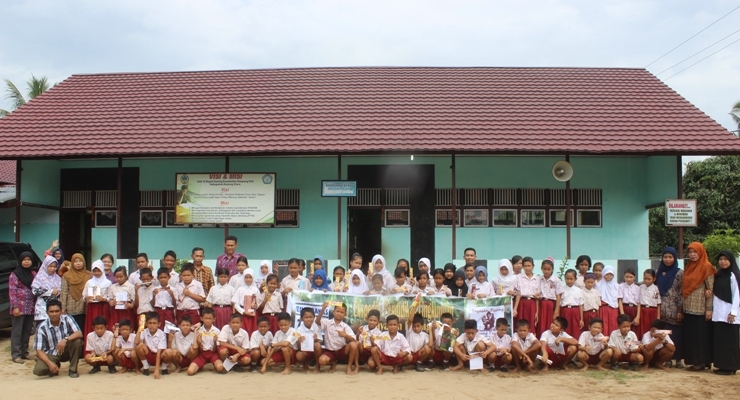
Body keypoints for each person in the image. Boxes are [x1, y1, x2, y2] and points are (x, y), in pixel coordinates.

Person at [682, 242, 715, 371]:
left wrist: (709, 309)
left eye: (695, 252)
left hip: (701, 309)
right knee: (691, 336)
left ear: (700, 252)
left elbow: (710, 290)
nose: (692, 255)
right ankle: (695, 361)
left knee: (701, 337)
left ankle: (701, 362)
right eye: (690, 252)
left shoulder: (707, 267)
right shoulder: (689, 266)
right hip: (689, 307)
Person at [32, 299, 83, 378]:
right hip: (51, 353)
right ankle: (54, 366)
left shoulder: (67, 318)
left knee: (77, 342)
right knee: (38, 370)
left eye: (57, 311)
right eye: (51, 312)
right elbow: (39, 350)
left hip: (66, 350)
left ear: (61, 311)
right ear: (47, 312)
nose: (54, 314)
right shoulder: (41, 327)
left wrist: (65, 339)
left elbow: (79, 333)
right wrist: (49, 363)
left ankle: (73, 369)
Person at [711, 250, 740, 375]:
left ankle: (730, 367)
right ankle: (722, 365)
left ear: (731, 261)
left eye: (726, 260)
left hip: (730, 314)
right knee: (720, 340)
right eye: (721, 259)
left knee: (730, 341)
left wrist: (733, 312)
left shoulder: (734, 275)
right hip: (719, 313)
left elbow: (737, 295)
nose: (723, 262)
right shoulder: (718, 275)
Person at [656, 246, 685, 368]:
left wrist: (680, 310)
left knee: (677, 333)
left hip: (674, 308)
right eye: (665, 257)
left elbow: (682, 292)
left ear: (675, 258)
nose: (668, 259)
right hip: (662, 308)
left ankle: (678, 358)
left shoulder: (679, 273)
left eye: (670, 257)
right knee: (664, 333)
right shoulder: (659, 272)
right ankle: (668, 357)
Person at [317, 301, 359, 375]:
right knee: (321, 361)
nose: (339, 313)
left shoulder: (345, 326)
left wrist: (345, 335)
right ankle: (332, 363)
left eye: (342, 312)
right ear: (333, 312)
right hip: (330, 351)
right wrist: (322, 310)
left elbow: (354, 340)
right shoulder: (327, 323)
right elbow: (317, 322)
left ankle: (349, 366)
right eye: (337, 311)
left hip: (342, 351)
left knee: (353, 345)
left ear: (345, 314)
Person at [10, 251, 37, 364]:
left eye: (29, 260)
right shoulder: (15, 274)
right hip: (19, 308)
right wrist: (15, 307)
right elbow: (12, 291)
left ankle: (24, 353)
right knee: (17, 331)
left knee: (27, 331)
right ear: (20, 261)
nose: (26, 262)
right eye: (24, 260)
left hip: (30, 307)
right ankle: (15, 354)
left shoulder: (33, 273)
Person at [188, 308, 224, 375]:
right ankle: (199, 366)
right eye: (206, 318)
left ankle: (215, 365)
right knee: (190, 372)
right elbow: (200, 350)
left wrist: (215, 342)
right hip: (202, 354)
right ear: (201, 318)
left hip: (213, 353)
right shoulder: (199, 330)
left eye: (210, 318)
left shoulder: (217, 331)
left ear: (214, 319)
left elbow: (215, 350)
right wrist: (199, 343)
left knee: (220, 368)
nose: (207, 320)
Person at [60, 253, 90, 331]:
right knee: (72, 330)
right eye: (75, 261)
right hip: (71, 306)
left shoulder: (89, 275)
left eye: (80, 261)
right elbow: (64, 291)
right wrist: (63, 307)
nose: (78, 263)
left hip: (84, 307)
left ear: (84, 262)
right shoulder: (66, 275)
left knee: (84, 328)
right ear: (72, 263)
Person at [83, 260, 112, 341]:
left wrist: (104, 299)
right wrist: (87, 298)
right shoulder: (89, 282)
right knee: (92, 325)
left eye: (98, 270)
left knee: (102, 325)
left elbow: (111, 297)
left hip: (103, 307)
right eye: (94, 271)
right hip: (92, 308)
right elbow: (84, 295)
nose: (96, 273)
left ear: (102, 270)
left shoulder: (108, 283)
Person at [135, 312, 168, 378]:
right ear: (146, 324)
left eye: (154, 323)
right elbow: (137, 341)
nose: (152, 325)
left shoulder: (162, 334)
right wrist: (140, 327)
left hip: (159, 356)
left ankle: (164, 368)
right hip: (149, 355)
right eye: (150, 323)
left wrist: (156, 369)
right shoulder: (144, 331)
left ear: (159, 324)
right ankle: (146, 366)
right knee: (140, 346)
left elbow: (159, 351)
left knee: (169, 352)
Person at [32, 255, 61, 328]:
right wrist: (50, 292)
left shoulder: (58, 278)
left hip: (54, 308)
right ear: (45, 266)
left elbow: (60, 291)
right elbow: (35, 291)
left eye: (54, 267)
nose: (52, 269)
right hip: (42, 309)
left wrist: (58, 292)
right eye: (50, 266)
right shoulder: (39, 277)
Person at [514, 257, 540, 330]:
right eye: (525, 266)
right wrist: (515, 309)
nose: (527, 268)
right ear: (523, 266)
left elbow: (537, 297)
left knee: (531, 324)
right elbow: (518, 294)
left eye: (529, 266)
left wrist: (537, 312)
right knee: (521, 324)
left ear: (533, 266)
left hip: (532, 303)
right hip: (522, 303)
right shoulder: (518, 277)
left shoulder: (537, 279)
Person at [538, 258, 563, 336]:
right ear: (541, 268)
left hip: (551, 304)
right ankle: (541, 340)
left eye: (549, 269)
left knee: (550, 322)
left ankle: (550, 342)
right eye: (544, 269)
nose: (546, 271)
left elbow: (558, 295)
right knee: (541, 322)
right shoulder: (539, 279)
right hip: (541, 303)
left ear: (552, 269)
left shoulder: (556, 280)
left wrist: (556, 310)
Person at [107, 266, 136, 332]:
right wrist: (111, 302)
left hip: (126, 311)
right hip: (116, 311)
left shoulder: (130, 286)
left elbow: (132, 301)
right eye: (117, 277)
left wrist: (130, 305)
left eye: (121, 277)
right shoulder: (112, 287)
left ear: (126, 276)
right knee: (115, 328)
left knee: (126, 328)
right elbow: (110, 299)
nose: (119, 279)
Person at [232, 268, 260, 334]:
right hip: (243, 314)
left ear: (253, 278)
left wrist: (256, 306)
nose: (248, 279)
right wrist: (244, 312)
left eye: (250, 277)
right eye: (246, 277)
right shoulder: (240, 289)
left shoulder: (256, 290)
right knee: (242, 331)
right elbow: (235, 304)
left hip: (253, 315)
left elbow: (259, 303)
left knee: (253, 331)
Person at [295, 308, 322, 373]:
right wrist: (299, 340)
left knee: (317, 344)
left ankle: (318, 366)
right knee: (299, 355)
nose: (309, 319)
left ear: (314, 318)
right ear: (301, 319)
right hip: (305, 351)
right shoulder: (299, 330)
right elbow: (298, 347)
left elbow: (320, 340)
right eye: (306, 317)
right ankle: (305, 364)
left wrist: (316, 339)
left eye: (310, 317)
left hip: (315, 351)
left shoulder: (316, 327)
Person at [597, 265, 620, 337]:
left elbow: (618, 299)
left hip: (613, 310)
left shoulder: (617, 286)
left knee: (613, 326)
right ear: (603, 274)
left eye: (611, 275)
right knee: (603, 326)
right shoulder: (598, 285)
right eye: (607, 274)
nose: (609, 276)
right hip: (603, 309)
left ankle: (612, 344)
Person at [638, 269, 661, 338]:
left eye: (649, 279)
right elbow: (638, 301)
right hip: (643, 310)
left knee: (652, 328)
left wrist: (658, 316)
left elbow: (658, 303)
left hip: (652, 311)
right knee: (642, 328)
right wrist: (638, 315)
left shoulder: (655, 288)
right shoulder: (641, 287)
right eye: (645, 279)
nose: (647, 281)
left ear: (654, 279)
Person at [618, 268, 640, 333]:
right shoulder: (621, 286)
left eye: (631, 277)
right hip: (624, 308)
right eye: (626, 277)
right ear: (624, 276)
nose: (628, 279)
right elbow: (620, 300)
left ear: (635, 277)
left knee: (634, 328)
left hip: (634, 309)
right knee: (623, 326)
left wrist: (637, 316)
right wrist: (622, 313)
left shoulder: (637, 288)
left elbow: (638, 303)